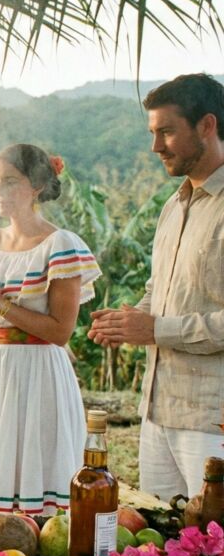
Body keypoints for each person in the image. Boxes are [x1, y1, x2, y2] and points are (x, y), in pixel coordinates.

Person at [0, 144, 101, 525]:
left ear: (37, 186)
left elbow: (60, 331)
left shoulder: (60, 245)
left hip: (38, 374)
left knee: (35, 470)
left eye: (10, 182)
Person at [89, 73, 224, 499]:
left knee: (213, 537)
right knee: (159, 535)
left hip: (212, 419)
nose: (155, 147)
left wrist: (155, 329)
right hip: (156, 410)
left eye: (166, 132)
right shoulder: (173, 206)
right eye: (152, 133)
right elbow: (158, 290)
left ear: (206, 125)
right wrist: (126, 322)